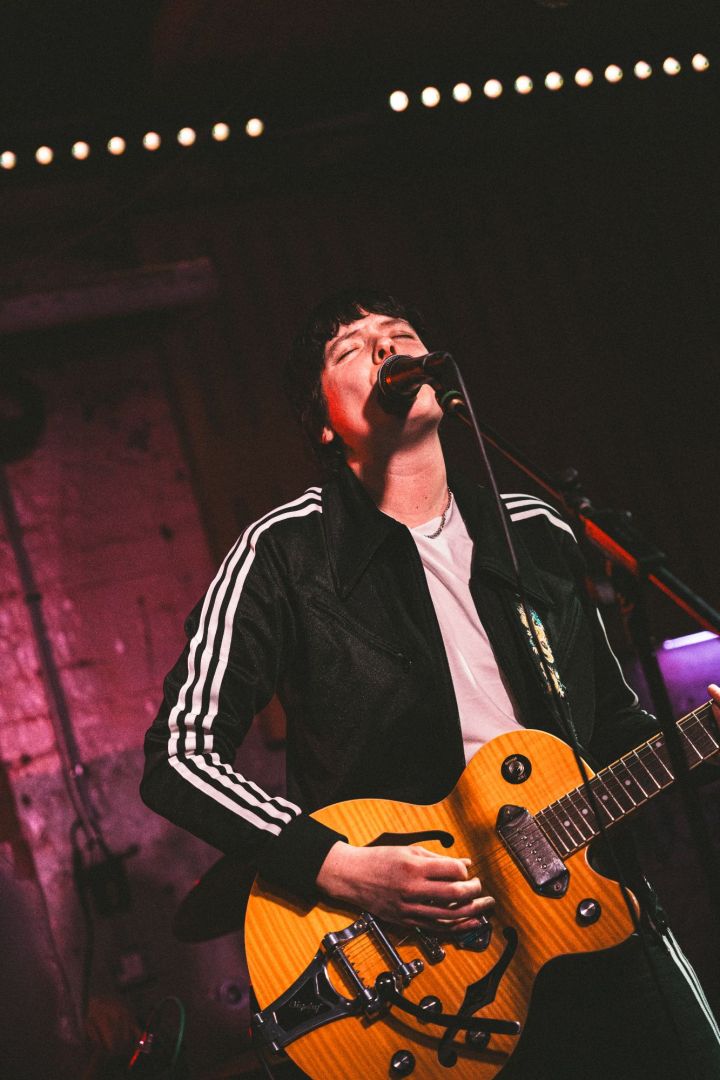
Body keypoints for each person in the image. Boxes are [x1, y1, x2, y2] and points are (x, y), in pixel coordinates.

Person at [141, 288, 720, 1078]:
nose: (386, 348)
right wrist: (338, 865)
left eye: (400, 334)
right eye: (352, 348)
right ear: (322, 422)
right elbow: (178, 755)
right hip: (425, 974)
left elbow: (611, 731)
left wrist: (700, 743)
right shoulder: (282, 553)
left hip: (601, 924)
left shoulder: (535, 530)